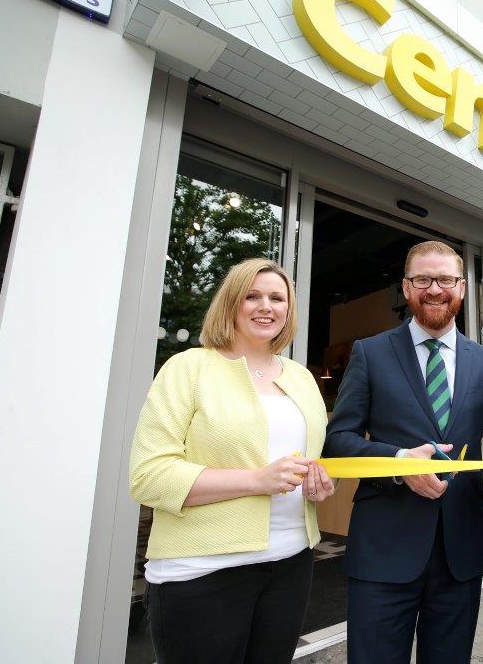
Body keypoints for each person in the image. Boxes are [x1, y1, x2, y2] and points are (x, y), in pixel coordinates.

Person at [323, 240, 483, 664]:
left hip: (460, 552)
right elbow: (338, 441)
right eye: (423, 280)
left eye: (445, 280)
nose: (435, 289)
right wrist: (398, 462)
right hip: (383, 550)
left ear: (462, 287)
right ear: (406, 287)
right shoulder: (370, 353)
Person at [129, 258, 333, 663]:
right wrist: (256, 480)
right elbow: (148, 476)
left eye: (277, 298)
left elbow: (308, 463)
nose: (266, 306)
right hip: (202, 571)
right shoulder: (188, 368)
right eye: (252, 296)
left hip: (292, 564)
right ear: (230, 303)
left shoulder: (301, 378)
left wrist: (319, 484)